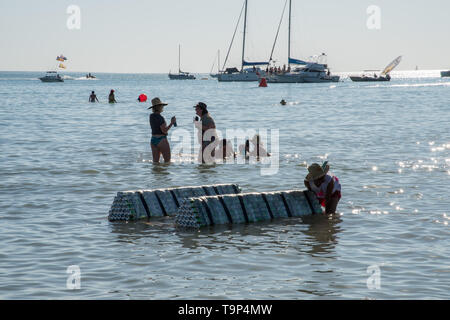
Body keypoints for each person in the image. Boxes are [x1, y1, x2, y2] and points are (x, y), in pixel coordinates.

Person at [148, 97, 176, 163]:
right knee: (167, 162)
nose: (162, 107)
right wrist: (172, 123)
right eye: (161, 106)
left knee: (155, 163)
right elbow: (164, 130)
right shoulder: (160, 117)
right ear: (159, 107)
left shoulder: (151, 116)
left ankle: (156, 173)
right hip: (161, 140)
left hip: (153, 140)